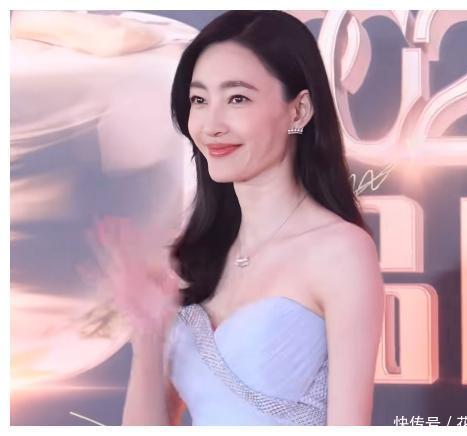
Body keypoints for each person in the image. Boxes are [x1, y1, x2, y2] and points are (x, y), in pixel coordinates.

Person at [98, 10, 384, 426]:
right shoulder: (191, 256)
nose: (211, 125)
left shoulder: (341, 251)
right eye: (199, 100)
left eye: (237, 99)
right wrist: (147, 337)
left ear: (299, 111)